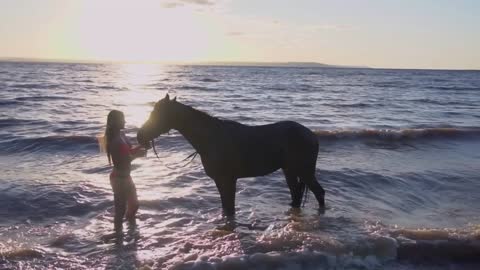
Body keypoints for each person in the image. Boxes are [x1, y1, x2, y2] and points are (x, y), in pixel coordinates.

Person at [104, 110, 146, 234]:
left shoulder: (122, 135)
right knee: (120, 211)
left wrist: (141, 146)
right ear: (116, 122)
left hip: (126, 177)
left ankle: (131, 230)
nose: (125, 121)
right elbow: (122, 161)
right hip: (118, 179)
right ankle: (118, 238)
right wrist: (138, 155)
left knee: (134, 205)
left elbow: (129, 151)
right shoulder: (114, 140)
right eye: (122, 119)